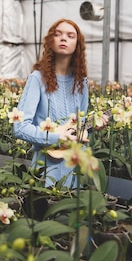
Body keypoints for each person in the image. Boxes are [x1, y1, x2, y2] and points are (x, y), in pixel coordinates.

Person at [14, 18, 89, 188]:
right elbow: (19, 127)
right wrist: (56, 138)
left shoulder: (82, 82)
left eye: (70, 36)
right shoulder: (37, 79)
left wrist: (94, 126)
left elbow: (81, 125)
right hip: (46, 167)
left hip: (75, 165)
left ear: (77, 44)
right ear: (50, 41)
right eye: (58, 34)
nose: (63, 39)